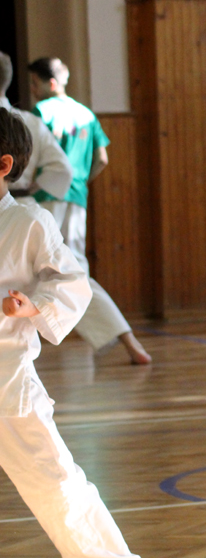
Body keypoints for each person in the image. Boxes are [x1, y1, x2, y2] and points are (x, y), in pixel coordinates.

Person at [0, 107, 139, 558]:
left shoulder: (28, 222)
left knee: (55, 484)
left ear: (3, 165)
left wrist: (34, 305)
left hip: (6, 382)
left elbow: (73, 281)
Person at [27, 58, 151, 365]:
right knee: (71, 269)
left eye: (34, 83)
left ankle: (124, 338)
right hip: (76, 199)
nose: (31, 90)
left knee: (51, 269)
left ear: (50, 83)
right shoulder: (86, 114)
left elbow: (33, 155)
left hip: (45, 197)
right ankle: (125, 339)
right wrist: (80, 184)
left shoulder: (41, 112)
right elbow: (102, 159)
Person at [0, 52, 73, 204]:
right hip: (21, 202)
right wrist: (31, 188)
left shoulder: (34, 118)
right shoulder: (32, 121)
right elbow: (62, 168)